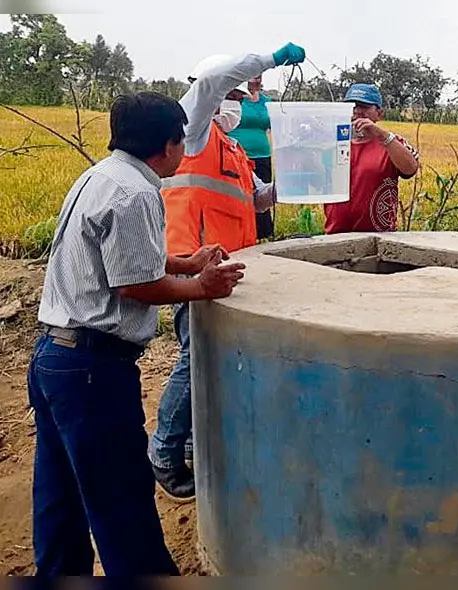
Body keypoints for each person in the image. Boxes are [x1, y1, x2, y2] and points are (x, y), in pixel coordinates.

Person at [29, 91, 246, 576]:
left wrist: (183, 261)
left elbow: (117, 253)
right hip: (92, 369)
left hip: (55, 357)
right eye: (181, 142)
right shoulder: (138, 192)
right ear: (166, 145)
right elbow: (134, 285)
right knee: (121, 498)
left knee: (59, 495)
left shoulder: (103, 176)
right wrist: (201, 285)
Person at [150, 44, 305, 503]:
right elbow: (215, 78)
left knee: (211, 360)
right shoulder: (192, 132)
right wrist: (271, 60)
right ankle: (163, 451)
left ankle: (198, 446)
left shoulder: (234, 149)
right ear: (213, 96)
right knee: (195, 358)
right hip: (191, 266)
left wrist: (296, 181)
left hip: (230, 270)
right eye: (234, 94)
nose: (241, 101)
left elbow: (257, 200)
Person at [323, 83, 420, 233]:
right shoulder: (333, 143)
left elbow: (410, 169)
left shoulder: (392, 143)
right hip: (336, 235)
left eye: (364, 107)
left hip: (379, 236)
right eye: (353, 107)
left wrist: (381, 135)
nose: (357, 112)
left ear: (379, 114)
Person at [227, 74, 275, 240]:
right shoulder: (205, 139)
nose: (257, 80)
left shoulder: (266, 101)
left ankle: (261, 235)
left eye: (239, 100)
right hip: (237, 154)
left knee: (255, 195)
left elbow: (260, 196)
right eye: (232, 98)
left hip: (257, 157)